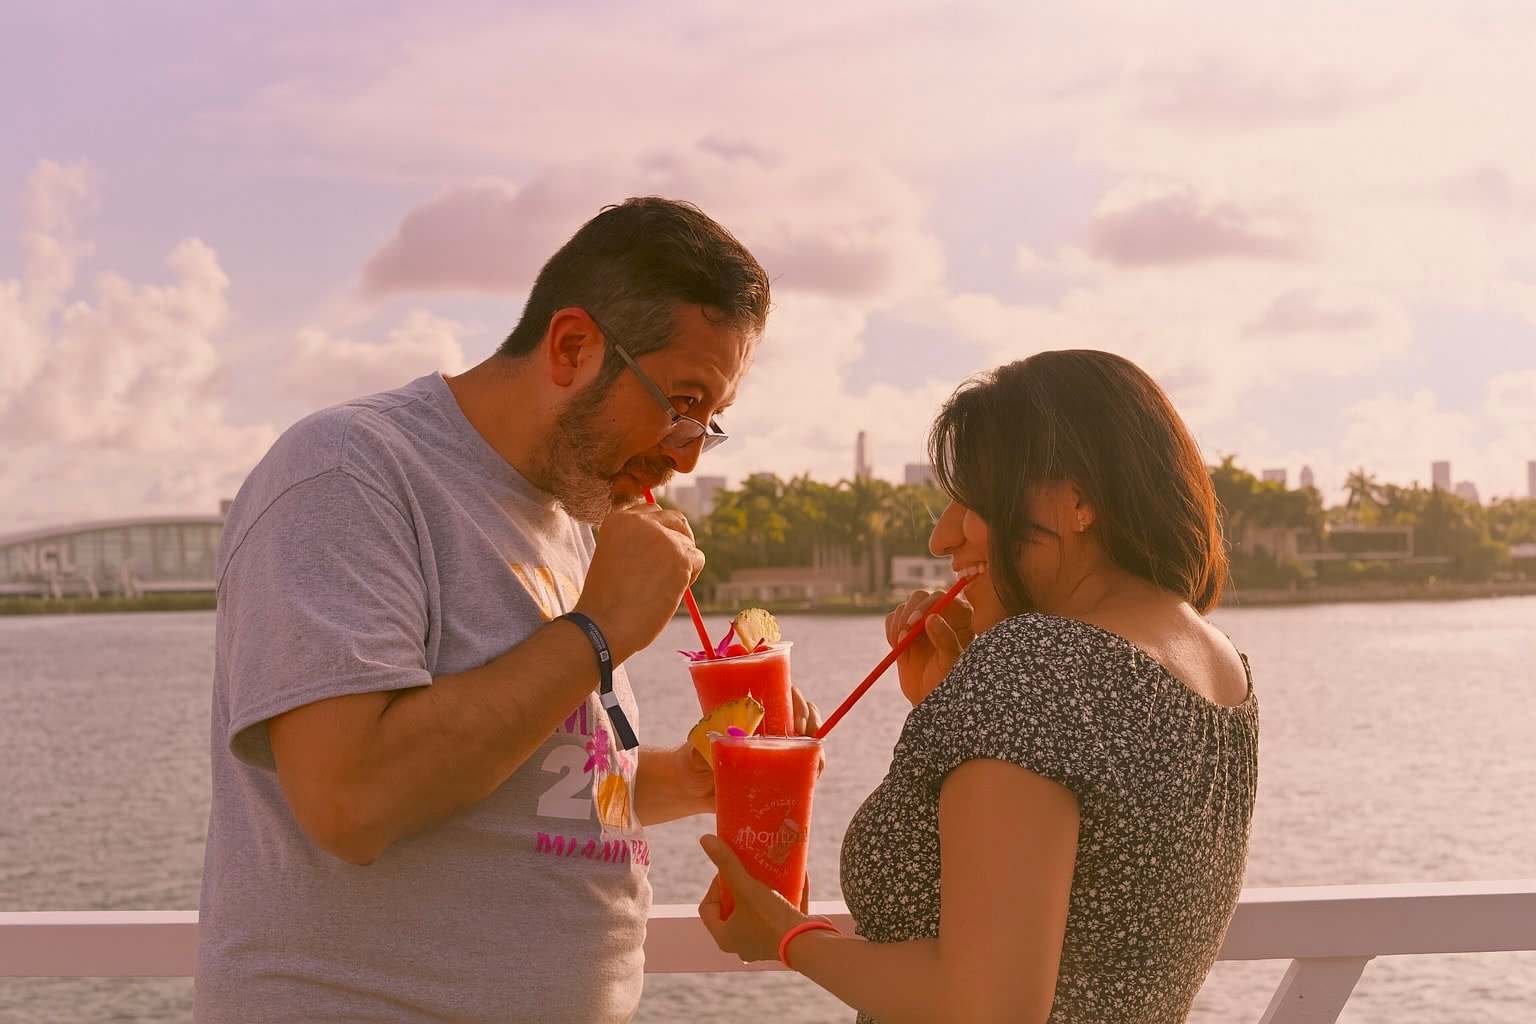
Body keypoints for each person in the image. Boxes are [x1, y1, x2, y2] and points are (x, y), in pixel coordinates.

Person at [195, 197, 785, 1024]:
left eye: (710, 422)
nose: (687, 454)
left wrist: (684, 778)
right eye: (681, 402)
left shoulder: (574, 514)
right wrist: (597, 631)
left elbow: (545, 785)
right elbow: (351, 800)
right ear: (573, 347)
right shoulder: (346, 472)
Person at [699, 350, 1259, 1024]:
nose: (942, 538)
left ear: (1078, 503)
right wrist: (953, 711)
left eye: (974, 501)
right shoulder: (1222, 666)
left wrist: (788, 936)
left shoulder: (1036, 666)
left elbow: (988, 1008)